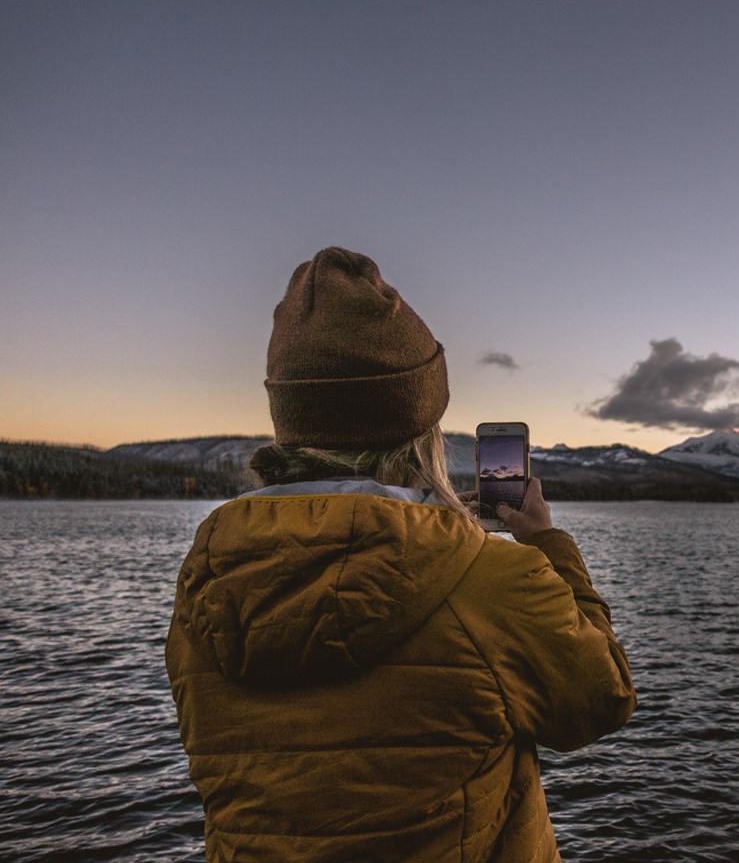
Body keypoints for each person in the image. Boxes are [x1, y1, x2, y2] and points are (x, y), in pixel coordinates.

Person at [166, 247, 636, 862]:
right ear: (420, 429)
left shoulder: (209, 577)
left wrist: (437, 529)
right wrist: (546, 544)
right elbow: (601, 700)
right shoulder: (490, 583)